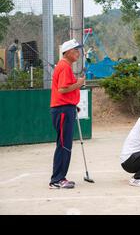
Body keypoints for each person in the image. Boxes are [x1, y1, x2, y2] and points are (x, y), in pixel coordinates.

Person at [49, 39, 85, 189]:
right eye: (76, 50)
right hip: (62, 110)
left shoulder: (65, 66)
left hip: (65, 108)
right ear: (69, 52)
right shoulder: (64, 66)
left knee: (64, 144)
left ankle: (60, 177)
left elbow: (64, 91)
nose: (78, 53)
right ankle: (57, 179)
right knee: (64, 145)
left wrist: (72, 104)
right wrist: (79, 83)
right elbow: (63, 89)